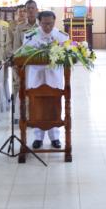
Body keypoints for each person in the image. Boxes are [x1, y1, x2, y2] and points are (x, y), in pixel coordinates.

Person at [22, 11, 69, 149]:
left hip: (54, 76)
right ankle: (38, 137)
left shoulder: (61, 35)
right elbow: (25, 52)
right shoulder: (31, 35)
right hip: (37, 76)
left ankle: (55, 137)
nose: (47, 26)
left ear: (54, 22)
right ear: (39, 22)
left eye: (50, 23)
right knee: (37, 104)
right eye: (44, 24)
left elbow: (67, 54)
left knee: (54, 104)